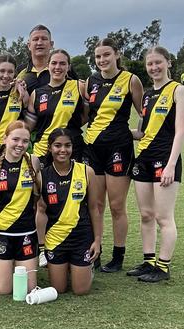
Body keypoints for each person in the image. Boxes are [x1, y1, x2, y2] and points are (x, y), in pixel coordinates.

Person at [82, 38, 143, 272]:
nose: (102, 60)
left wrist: (137, 133)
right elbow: (88, 115)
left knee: (117, 206)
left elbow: (142, 112)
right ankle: (95, 251)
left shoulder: (131, 80)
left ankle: (118, 256)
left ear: (117, 54)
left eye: (106, 55)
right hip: (93, 148)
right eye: (98, 57)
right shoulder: (91, 81)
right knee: (94, 204)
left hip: (119, 150)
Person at [129, 46, 184, 282]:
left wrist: (171, 164)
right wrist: (122, 131)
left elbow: (180, 130)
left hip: (165, 160)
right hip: (143, 160)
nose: (154, 67)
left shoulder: (178, 90)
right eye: (150, 64)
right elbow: (143, 133)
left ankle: (162, 267)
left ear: (168, 63)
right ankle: (149, 261)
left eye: (158, 62)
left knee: (164, 217)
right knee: (146, 215)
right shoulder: (148, 95)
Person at [0, 121, 41, 295]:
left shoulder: (33, 162)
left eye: (25, 141)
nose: (20, 145)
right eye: (16, 139)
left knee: (29, 288)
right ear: (5, 139)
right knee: (3, 290)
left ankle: (12, 264)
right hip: (2, 231)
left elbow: (40, 194)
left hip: (26, 232)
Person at [36, 128, 102, 295]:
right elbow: (41, 211)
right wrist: (42, 245)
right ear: (50, 148)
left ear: (73, 148)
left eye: (67, 145)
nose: (63, 150)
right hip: (55, 239)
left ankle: (85, 268)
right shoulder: (42, 176)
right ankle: (68, 267)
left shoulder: (86, 172)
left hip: (81, 237)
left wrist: (97, 240)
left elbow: (95, 208)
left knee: (81, 290)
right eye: (57, 145)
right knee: (59, 289)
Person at [25, 49, 87, 167]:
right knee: (42, 185)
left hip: (71, 149)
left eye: (62, 63)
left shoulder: (79, 87)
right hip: (43, 150)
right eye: (54, 63)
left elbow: (88, 115)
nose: (57, 67)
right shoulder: (36, 94)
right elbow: (28, 126)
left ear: (68, 67)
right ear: (48, 66)